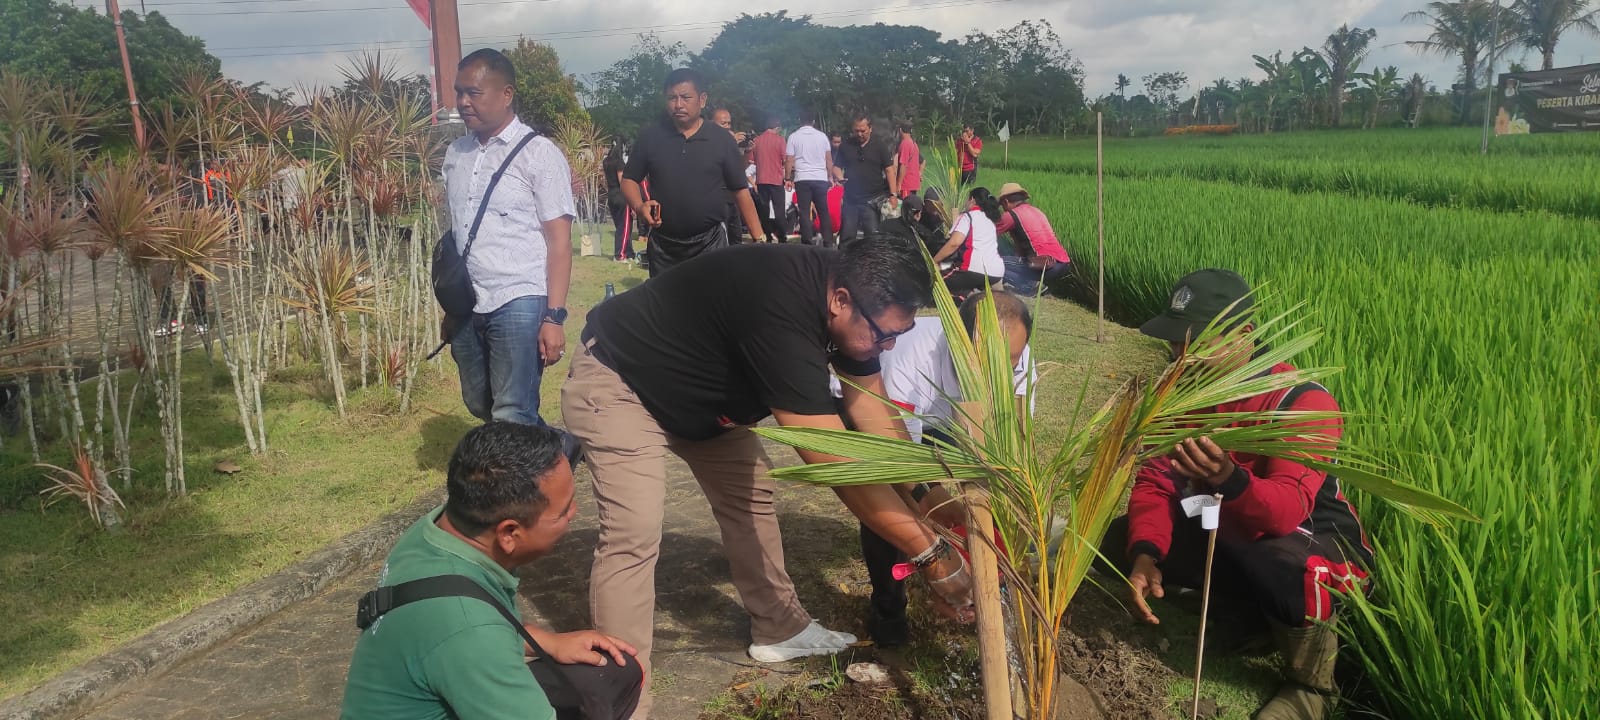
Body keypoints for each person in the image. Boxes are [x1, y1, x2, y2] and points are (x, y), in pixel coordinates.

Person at [561, 238, 975, 719]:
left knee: (752, 497)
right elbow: (832, 459)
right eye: (884, 336)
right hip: (623, 380)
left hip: (707, 404)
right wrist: (932, 554)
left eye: (897, 337)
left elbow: (877, 420)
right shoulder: (780, 305)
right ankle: (623, 697)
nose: (887, 348)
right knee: (634, 532)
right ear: (840, 301)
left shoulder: (851, 299)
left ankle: (779, 627)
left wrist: (939, 505)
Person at [1098, 269, 1374, 720]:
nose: (1179, 355)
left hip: (1311, 545)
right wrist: (1146, 552)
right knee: (1119, 541)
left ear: (1243, 335)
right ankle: (1246, 614)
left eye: (1195, 344)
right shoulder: (1185, 393)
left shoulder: (1299, 400)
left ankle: (1314, 687)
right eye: (1175, 342)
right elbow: (1157, 480)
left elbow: (1284, 511)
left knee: (1280, 563)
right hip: (1226, 520)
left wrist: (1230, 479)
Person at [341, 422, 643, 720]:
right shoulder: (472, 632)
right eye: (563, 512)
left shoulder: (432, 533)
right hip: (464, 648)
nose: (574, 513)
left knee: (610, 673)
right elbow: (472, 632)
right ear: (509, 533)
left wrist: (548, 642)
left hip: (440, 667)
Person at [833, 289, 1035, 645]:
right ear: (958, 341)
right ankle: (888, 610)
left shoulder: (1017, 356)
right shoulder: (909, 356)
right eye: (984, 362)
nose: (999, 373)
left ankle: (989, 590)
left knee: (981, 509)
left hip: (949, 420)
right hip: (880, 412)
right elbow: (897, 463)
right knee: (887, 509)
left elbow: (1012, 444)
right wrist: (939, 525)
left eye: (1011, 361)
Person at [441, 48, 575, 433]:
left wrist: (554, 317)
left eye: (474, 93)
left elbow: (560, 244)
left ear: (506, 94)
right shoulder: (456, 154)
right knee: (478, 401)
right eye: (459, 92)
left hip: (520, 297)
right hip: (468, 301)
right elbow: (458, 234)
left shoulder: (539, 155)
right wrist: (451, 306)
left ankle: (518, 491)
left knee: (511, 411)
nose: (464, 102)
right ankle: (556, 450)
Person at [622, 71, 763, 277]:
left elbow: (740, 191)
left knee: (710, 308)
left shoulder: (721, 140)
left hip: (710, 245)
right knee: (667, 309)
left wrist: (759, 240)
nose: (678, 104)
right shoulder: (651, 137)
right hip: (664, 247)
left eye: (686, 97)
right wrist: (639, 206)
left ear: (702, 99)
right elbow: (629, 179)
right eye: (672, 98)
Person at [992, 182, 1071, 296]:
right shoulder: (1037, 211)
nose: (1003, 209)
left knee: (992, 262)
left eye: (1003, 205)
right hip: (1062, 262)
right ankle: (1034, 283)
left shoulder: (1011, 215)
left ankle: (1030, 286)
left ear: (1006, 201)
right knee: (1011, 261)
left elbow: (988, 233)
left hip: (1041, 263)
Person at [833, 115, 898, 243]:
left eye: (863, 130)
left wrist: (893, 194)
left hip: (872, 200)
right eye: (856, 130)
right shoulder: (846, 145)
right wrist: (840, 177)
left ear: (870, 128)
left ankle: (872, 262)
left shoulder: (879, 145)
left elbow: (889, 170)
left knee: (873, 237)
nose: (859, 134)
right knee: (847, 236)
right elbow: (836, 167)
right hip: (851, 200)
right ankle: (845, 260)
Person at [932, 187, 1005, 298]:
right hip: (997, 272)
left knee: (935, 282)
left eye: (967, 199)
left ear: (972, 200)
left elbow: (954, 243)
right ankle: (989, 294)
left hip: (974, 270)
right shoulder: (990, 218)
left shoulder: (968, 216)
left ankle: (971, 297)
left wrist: (934, 261)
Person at [785, 110, 835, 247]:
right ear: (813, 121)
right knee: (823, 211)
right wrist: (830, 176)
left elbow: (789, 160)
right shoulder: (822, 136)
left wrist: (787, 178)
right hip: (820, 178)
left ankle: (807, 242)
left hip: (802, 178)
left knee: (804, 212)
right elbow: (828, 159)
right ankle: (828, 241)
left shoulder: (793, 137)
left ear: (800, 120)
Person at [711, 108, 756, 244]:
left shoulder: (730, 141)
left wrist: (747, 151)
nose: (727, 127)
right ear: (712, 124)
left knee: (736, 238)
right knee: (720, 239)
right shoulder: (708, 141)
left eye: (729, 123)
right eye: (723, 123)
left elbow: (740, 169)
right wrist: (729, 142)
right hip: (716, 197)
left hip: (732, 196)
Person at [750, 114, 788, 243]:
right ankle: (782, 237)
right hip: (776, 180)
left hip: (761, 180)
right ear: (777, 127)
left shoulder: (757, 140)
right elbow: (785, 159)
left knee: (764, 210)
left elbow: (753, 161)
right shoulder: (780, 140)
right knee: (779, 210)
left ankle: (768, 235)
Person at [603, 142, 636, 262]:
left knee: (621, 226)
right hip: (621, 197)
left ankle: (629, 252)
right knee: (625, 227)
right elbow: (623, 183)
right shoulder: (619, 163)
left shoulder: (606, 162)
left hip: (611, 195)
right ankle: (620, 255)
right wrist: (632, 202)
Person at [895, 120, 922, 200]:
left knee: (906, 207)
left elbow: (903, 165)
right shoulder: (914, 143)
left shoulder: (905, 144)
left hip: (906, 184)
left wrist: (899, 184)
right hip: (913, 183)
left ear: (900, 130)